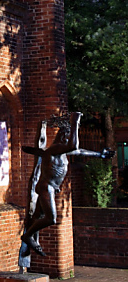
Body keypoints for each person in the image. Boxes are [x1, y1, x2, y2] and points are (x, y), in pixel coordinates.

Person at [19, 111, 113, 269]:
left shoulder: (63, 151)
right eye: (67, 136)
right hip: (46, 187)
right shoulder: (54, 149)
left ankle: (28, 244)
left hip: (52, 188)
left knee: (38, 216)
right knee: (51, 218)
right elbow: (74, 146)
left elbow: (80, 151)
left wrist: (100, 155)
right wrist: (75, 121)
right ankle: (27, 237)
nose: (68, 140)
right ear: (62, 137)